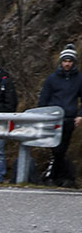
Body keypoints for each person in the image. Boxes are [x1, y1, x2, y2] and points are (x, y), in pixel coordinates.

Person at [37, 44, 82, 187]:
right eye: (65, 61)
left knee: (62, 149)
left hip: (69, 118)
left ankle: (59, 177)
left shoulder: (79, 79)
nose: (67, 64)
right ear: (61, 62)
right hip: (54, 118)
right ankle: (60, 176)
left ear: (74, 62)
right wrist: (43, 115)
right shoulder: (52, 79)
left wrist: (80, 115)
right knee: (56, 149)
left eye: (70, 61)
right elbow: (44, 99)